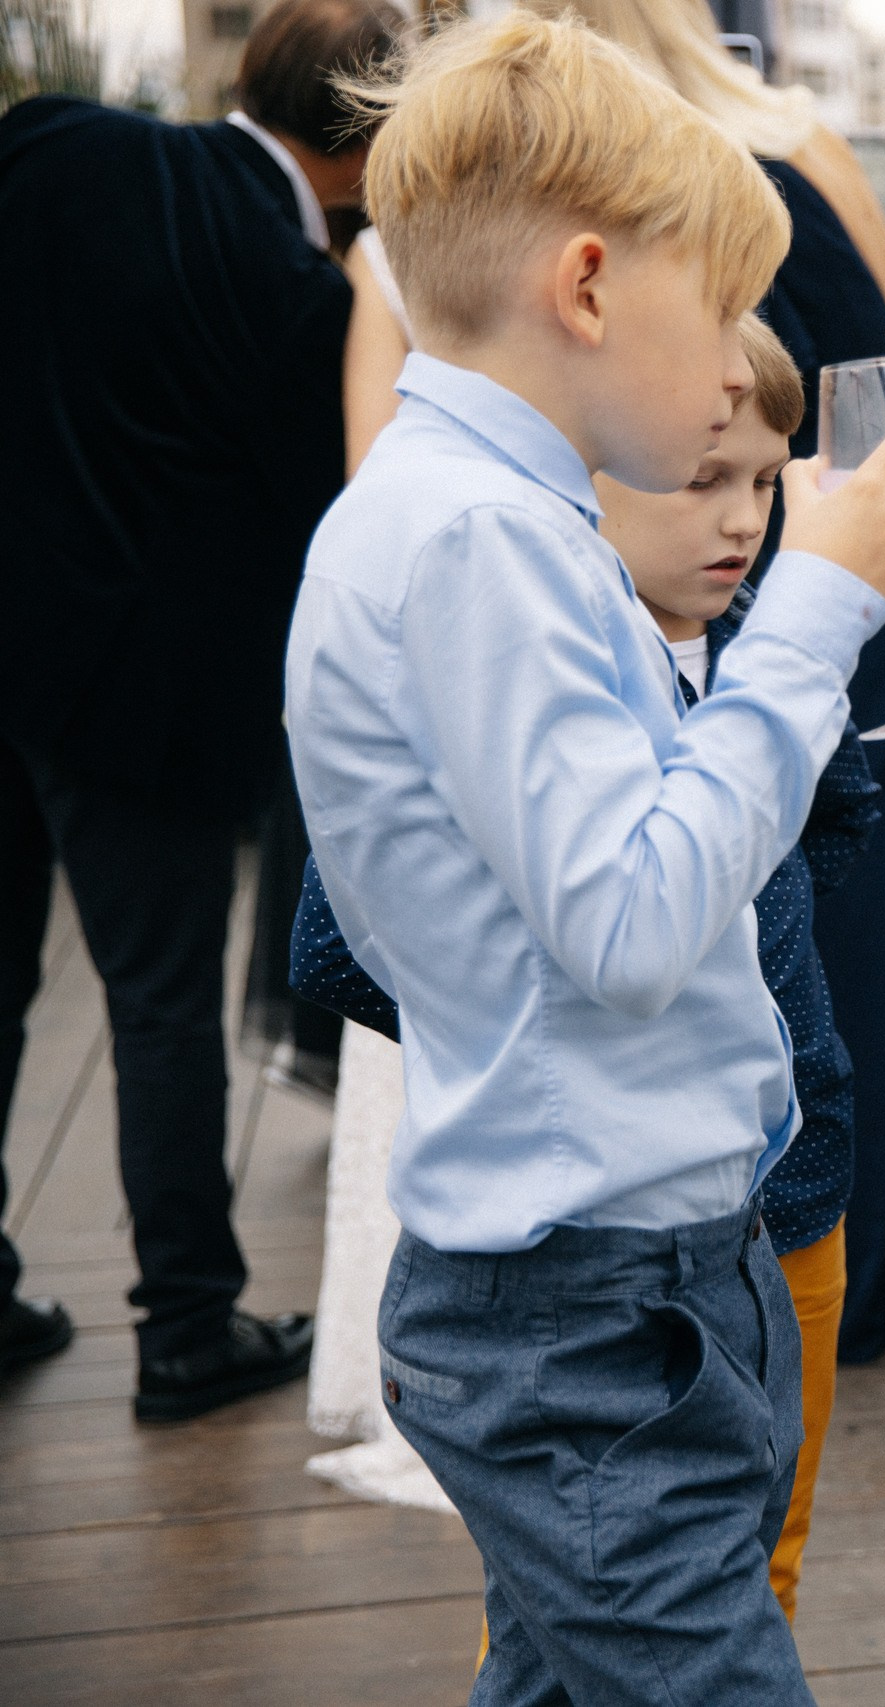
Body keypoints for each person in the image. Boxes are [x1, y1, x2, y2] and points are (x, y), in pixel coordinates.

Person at [283, 15, 885, 1697]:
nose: (738, 377)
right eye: (719, 329)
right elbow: (631, 916)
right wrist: (811, 617)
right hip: (586, 1312)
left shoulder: (491, 521)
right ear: (591, 289)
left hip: (623, 1278)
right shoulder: (477, 540)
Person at [290, 315, 877, 1620]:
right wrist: (554, 1025)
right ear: (587, 470)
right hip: (618, 1220)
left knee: (758, 1543)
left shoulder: (766, 659)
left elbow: (833, 818)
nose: (741, 521)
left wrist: (745, 954)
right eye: (700, 478)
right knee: (640, 1598)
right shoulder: (524, 662)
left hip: (794, 1173)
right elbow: (334, 943)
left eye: (769, 482)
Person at [0, 0, 404, 1413]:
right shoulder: (308, 301)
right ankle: (184, 1323)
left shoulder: (53, 150)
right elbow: (326, 523)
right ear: (369, 136)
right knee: (161, 1007)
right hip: (145, 712)